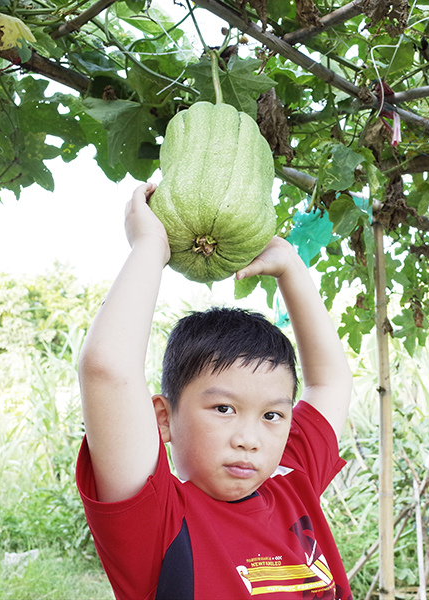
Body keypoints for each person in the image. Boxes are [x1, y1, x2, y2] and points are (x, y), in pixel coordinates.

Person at [75, 182, 354, 600]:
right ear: (164, 419)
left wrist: (291, 268)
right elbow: (107, 369)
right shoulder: (158, 522)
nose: (249, 439)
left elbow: (330, 382)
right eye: (223, 408)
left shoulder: (292, 482)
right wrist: (150, 245)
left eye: (272, 415)